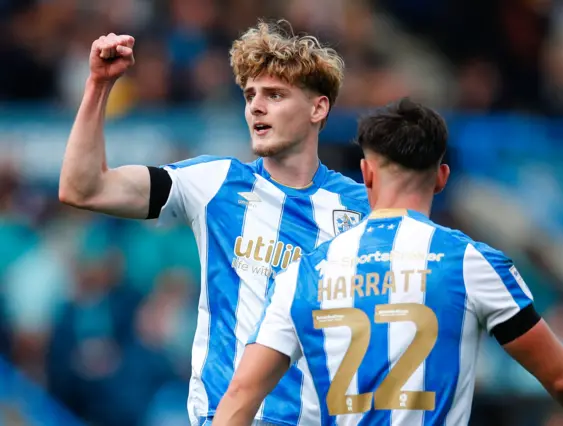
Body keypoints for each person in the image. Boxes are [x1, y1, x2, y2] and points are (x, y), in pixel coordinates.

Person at [212, 98, 563, 426]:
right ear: (442, 177)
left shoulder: (301, 274)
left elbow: (240, 398)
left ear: (366, 174)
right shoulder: (472, 263)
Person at [58, 19, 370, 426]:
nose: (256, 106)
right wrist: (98, 85)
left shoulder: (362, 207)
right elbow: (83, 189)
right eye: (250, 95)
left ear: (318, 107)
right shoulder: (215, 182)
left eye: (275, 95)